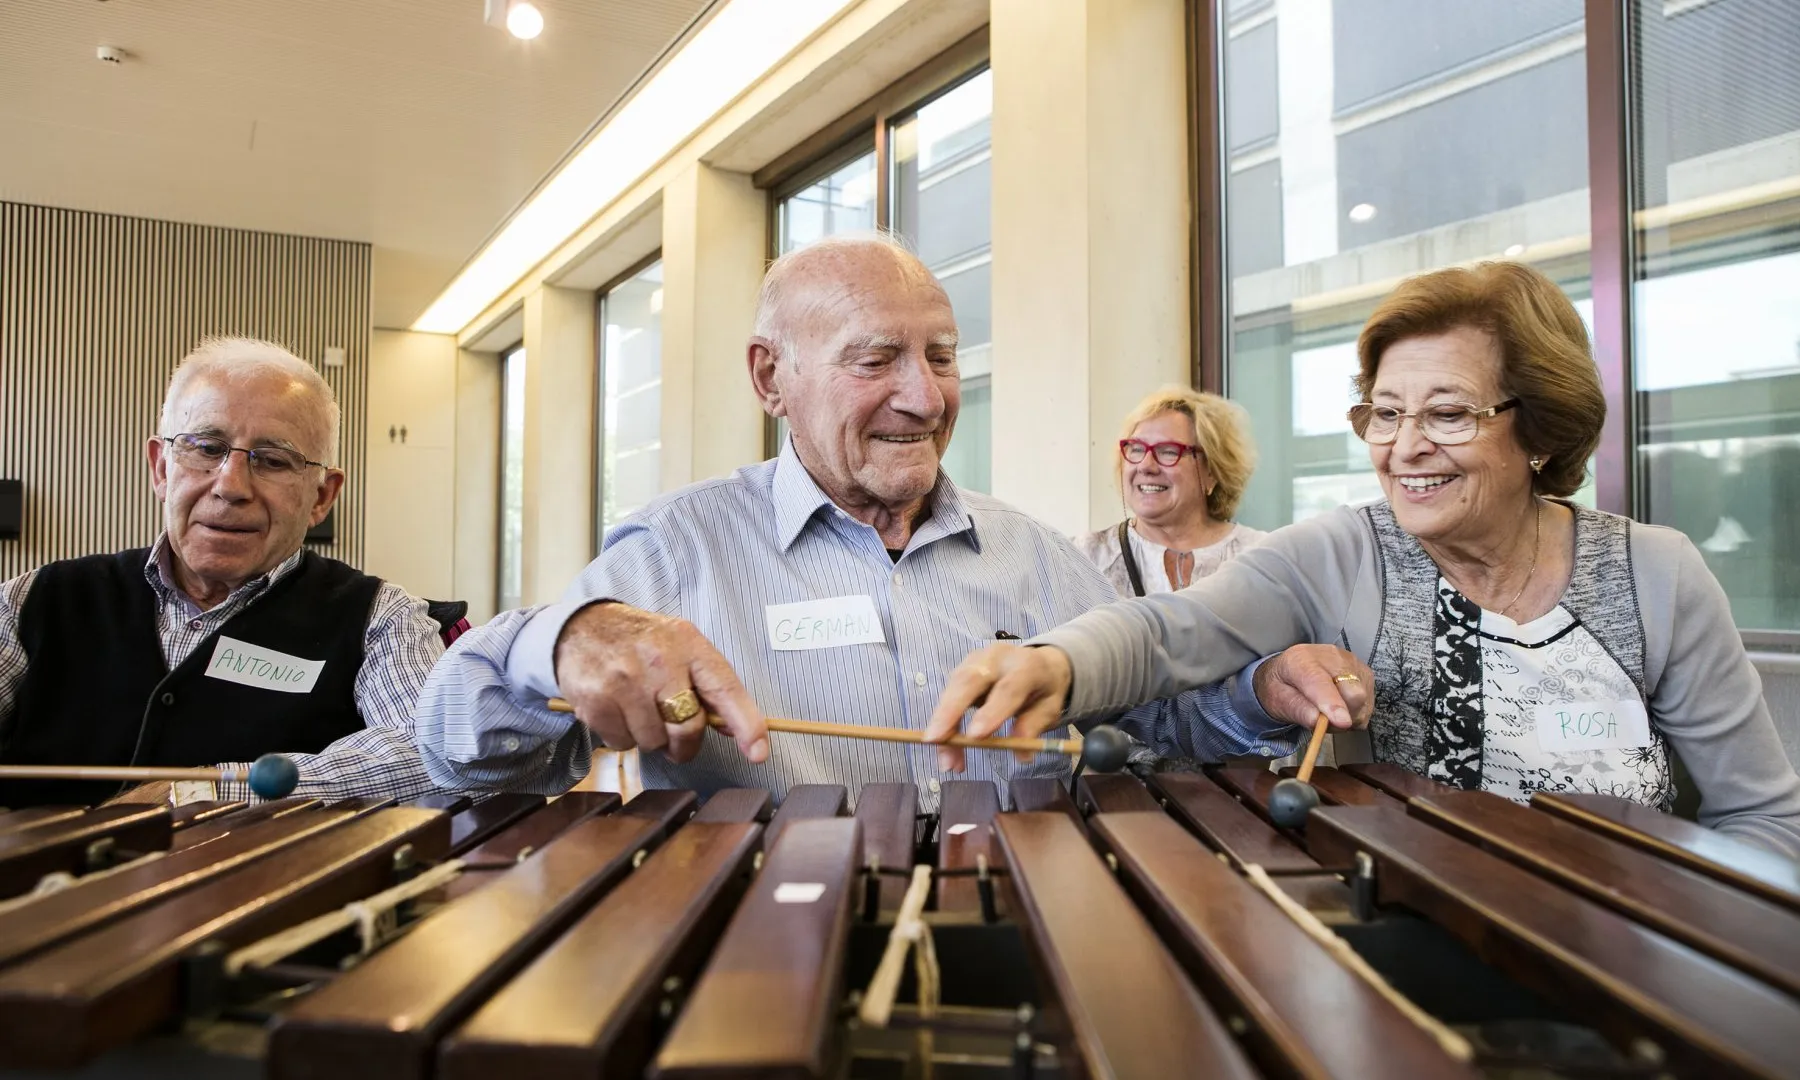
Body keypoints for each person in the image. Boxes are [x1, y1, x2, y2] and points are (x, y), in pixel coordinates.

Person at [928, 262, 1800, 858]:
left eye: (1448, 414)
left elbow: (1763, 817)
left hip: (1635, 943)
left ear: (1539, 429)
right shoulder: (1342, 552)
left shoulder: (1657, 571)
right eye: (1384, 414)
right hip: (1422, 934)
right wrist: (1056, 663)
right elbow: (1170, 634)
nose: (1405, 448)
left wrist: (1697, 941)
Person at [412, 236, 1322, 804]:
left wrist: (1259, 692)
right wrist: (561, 641)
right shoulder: (673, 553)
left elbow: (1155, 738)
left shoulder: (1038, 557)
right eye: (876, 359)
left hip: (1026, 932)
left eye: (941, 356)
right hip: (768, 953)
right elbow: (460, 755)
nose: (923, 397)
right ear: (772, 378)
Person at [0, 337, 446, 807]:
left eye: (273, 461)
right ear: (161, 468)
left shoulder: (381, 618)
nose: (230, 487)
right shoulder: (32, 601)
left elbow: (430, 754)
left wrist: (200, 792)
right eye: (207, 448)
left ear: (321, 497)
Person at [1076, 386, 1265, 597]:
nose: (1146, 466)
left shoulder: (1262, 557)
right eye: (1136, 449)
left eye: (1168, 451)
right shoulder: (1084, 558)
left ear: (1212, 470)